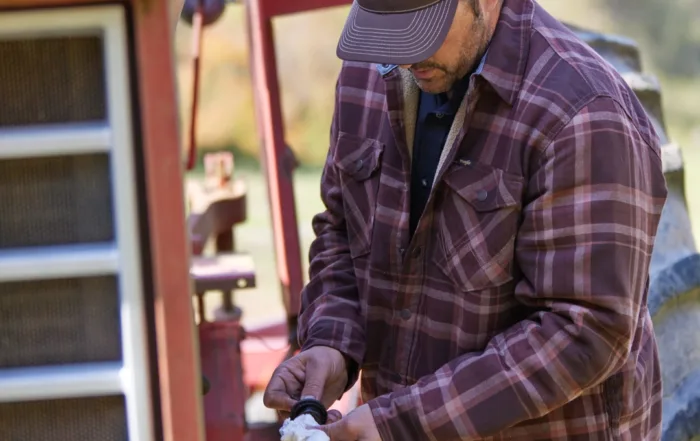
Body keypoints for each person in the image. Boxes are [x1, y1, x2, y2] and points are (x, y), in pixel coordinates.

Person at [263, 0, 669, 439]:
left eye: (421, 29)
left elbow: (585, 331)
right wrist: (332, 343)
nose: (403, 55)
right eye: (390, 29)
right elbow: (341, 228)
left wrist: (401, 424)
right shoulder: (367, 75)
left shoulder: (583, 112)